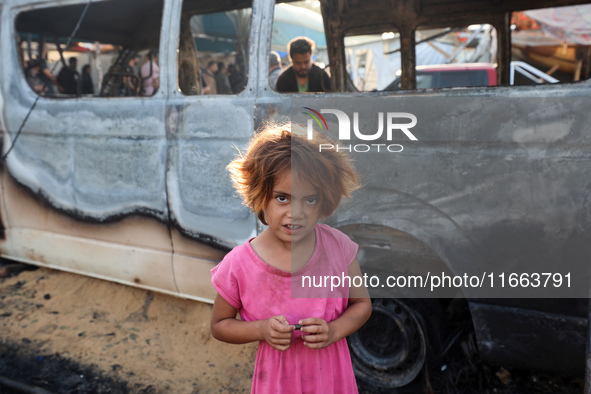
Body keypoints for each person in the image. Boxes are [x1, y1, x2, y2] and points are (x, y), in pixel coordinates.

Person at [210, 123, 372, 393]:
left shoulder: (339, 247)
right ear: (260, 195)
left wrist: (333, 331)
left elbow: (362, 304)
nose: (296, 213)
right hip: (276, 383)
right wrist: (262, 329)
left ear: (324, 200)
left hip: (331, 379)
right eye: (282, 198)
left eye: (310, 200)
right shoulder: (239, 264)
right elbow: (219, 325)